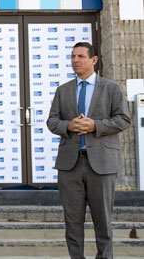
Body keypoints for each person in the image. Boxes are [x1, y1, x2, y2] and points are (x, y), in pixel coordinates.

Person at [47, 42, 131, 259]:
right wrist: (68, 126)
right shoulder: (63, 90)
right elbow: (52, 121)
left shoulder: (111, 88)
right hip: (70, 165)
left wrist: (96, 125)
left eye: (81, 56)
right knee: (72, 221)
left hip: (102, 164)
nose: (75, 60)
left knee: (103, 220)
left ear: (94, 60)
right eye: (73, 56)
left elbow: (123, 119)